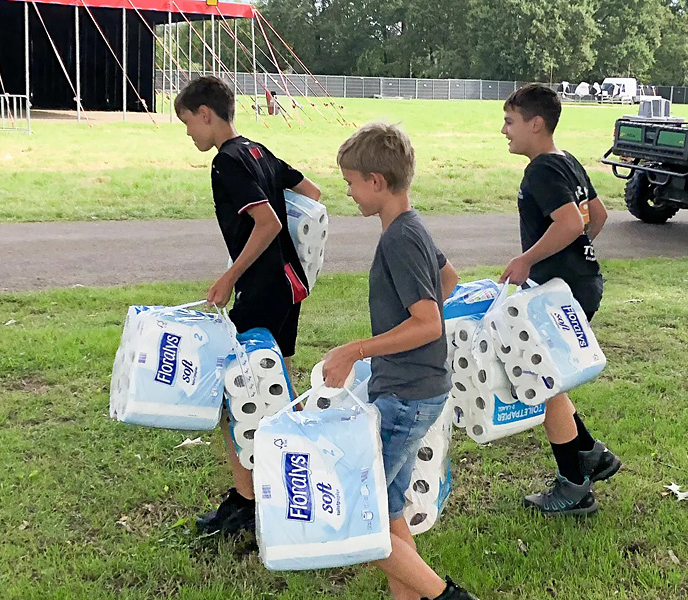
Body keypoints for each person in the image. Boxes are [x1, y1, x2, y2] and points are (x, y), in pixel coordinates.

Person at [321, 122, 474, 600]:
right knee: (387, 509)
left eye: (351, 182)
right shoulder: (411, 226)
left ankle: (446, 597)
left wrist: (354, 350)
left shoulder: (399, 239)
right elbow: (448, 279)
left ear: (376, 181)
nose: (349, 192)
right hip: (415, 388)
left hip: (406, 396)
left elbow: (428, 323)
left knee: (359, 514)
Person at [174, 75, 322, 535]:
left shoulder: (227, 162)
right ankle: (291, 481)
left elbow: (268, 222)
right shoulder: (259, 150)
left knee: (235, 391)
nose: (188, 133)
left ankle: (248, 502)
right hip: (289, 286)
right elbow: (312, 194)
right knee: (276, 388)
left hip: (261, 289)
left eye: (187, 123)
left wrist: (230, 276)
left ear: (206, 114)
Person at [498, 83, 622, 516]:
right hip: (580, 284)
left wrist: (529, 259)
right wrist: (575, 256)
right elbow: (597, 215)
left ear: (535, 124)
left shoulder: (541, 170)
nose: (504, 130)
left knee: (544, 383)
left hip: (559, 293)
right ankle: (590, 454)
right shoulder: (566, 160)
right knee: (551, 380)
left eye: (510, 122)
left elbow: (570, 223)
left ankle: (574, 486)